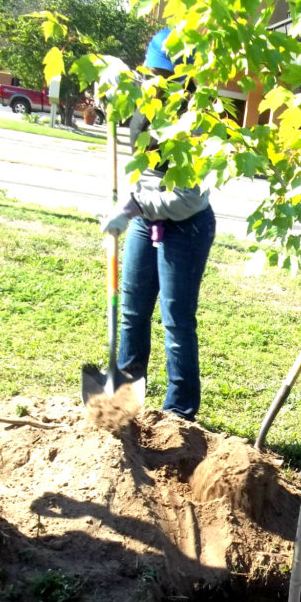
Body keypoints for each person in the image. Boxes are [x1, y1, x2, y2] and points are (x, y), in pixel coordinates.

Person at [101, 29, 216, 420]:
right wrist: (128, 201)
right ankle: (123, 402)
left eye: (168, 76)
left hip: (187, 227)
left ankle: (179, 412)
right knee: (132, 310)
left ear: (186, 78)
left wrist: (133, 205)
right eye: (153, 73)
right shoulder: (142, 104)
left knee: (175, 318)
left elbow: (189, 199)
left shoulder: (197, 121)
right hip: (143, 219)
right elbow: (141, 171)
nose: (158, 82)